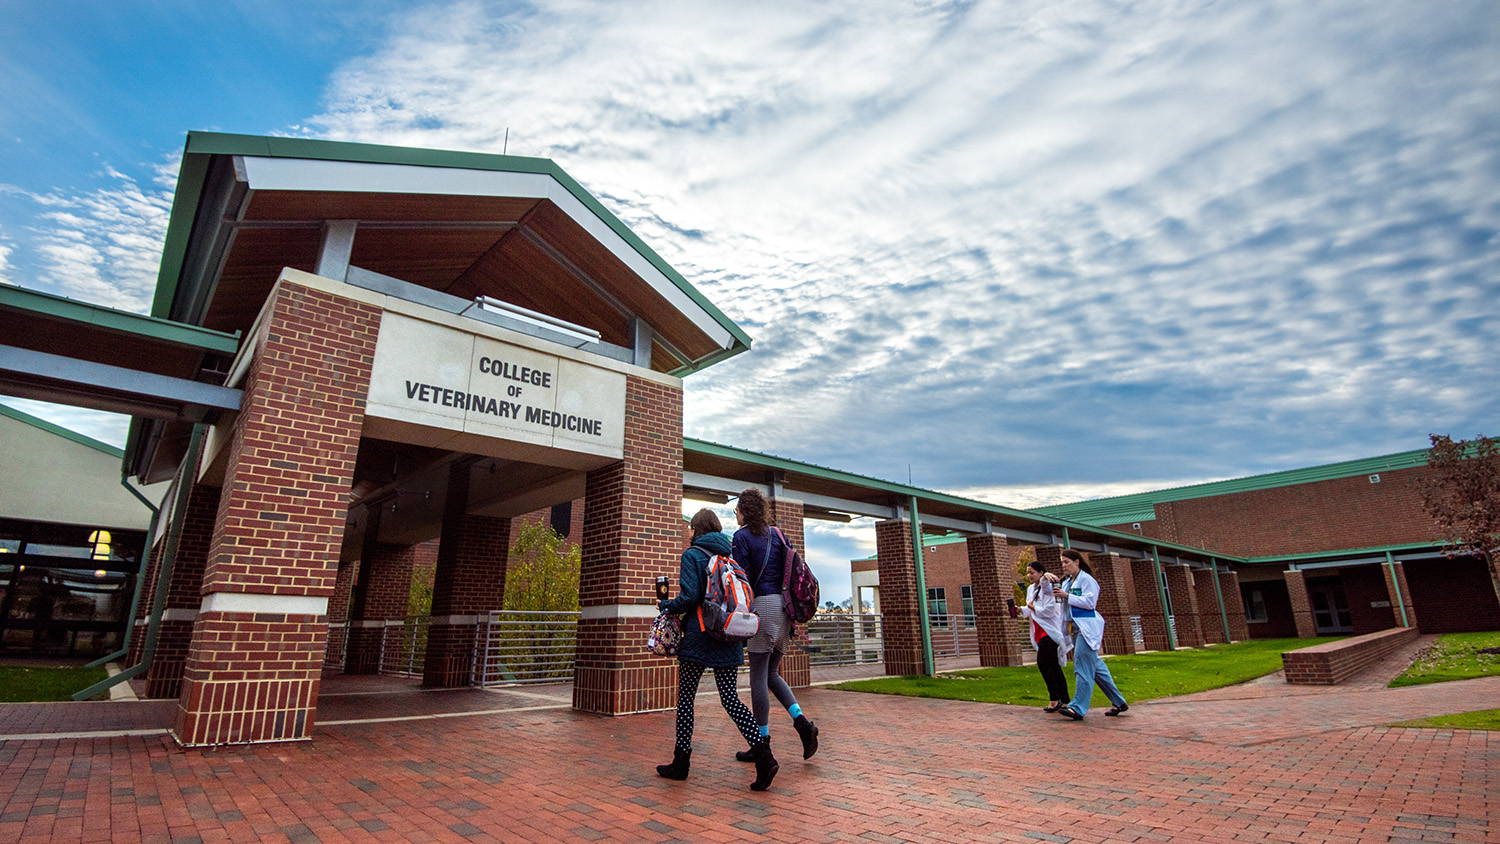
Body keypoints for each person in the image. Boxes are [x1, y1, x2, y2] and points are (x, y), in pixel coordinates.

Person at [656, 508, 779, 791]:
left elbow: (690, 597)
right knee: (731, 700)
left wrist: (666, 606)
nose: (688, 532)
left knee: (686, 699)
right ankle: (764, 757)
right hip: (727, 634)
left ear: (697, 529)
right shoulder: (728, 556)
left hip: (699, 636)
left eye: (690, 528)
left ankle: (681, 763)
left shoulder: (692, 555)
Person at [730, 488, 820, 765]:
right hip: (784, 611)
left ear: (745, 511)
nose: (735, 514)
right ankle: (803, 724)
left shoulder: (741, 537)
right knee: (772, 674)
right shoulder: (778, 535)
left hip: (763, 608)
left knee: (757, 677)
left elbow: (741, 578)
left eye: (737, 510)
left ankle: (761, 743)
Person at [1053, 549, 1129, 720]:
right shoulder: (1066, 582)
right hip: (1074, 627)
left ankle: (1077, 708)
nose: (1064, 565)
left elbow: (1090, 602)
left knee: (1081, 666)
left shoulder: (1087, 580)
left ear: (1077, 562)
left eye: (1067, 562)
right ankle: (1119, 702)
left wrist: (1067, 596)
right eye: (1062, 562)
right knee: (1096, 668)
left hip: (1086, 629)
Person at [1018, 559, 1070, 712]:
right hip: (1039, 631)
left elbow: (1049, 610)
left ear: (1040, 573)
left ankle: (1054, 699)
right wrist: (1021, 610)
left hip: (1050, 631)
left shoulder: (1048, 589)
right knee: (1053, 666)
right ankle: (1065, 700)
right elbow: (1031, 609)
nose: (1029, 575)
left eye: (1032, 572)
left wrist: (1032, 606)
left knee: (1043, 663)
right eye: (1028, 572)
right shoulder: (1030, 589)